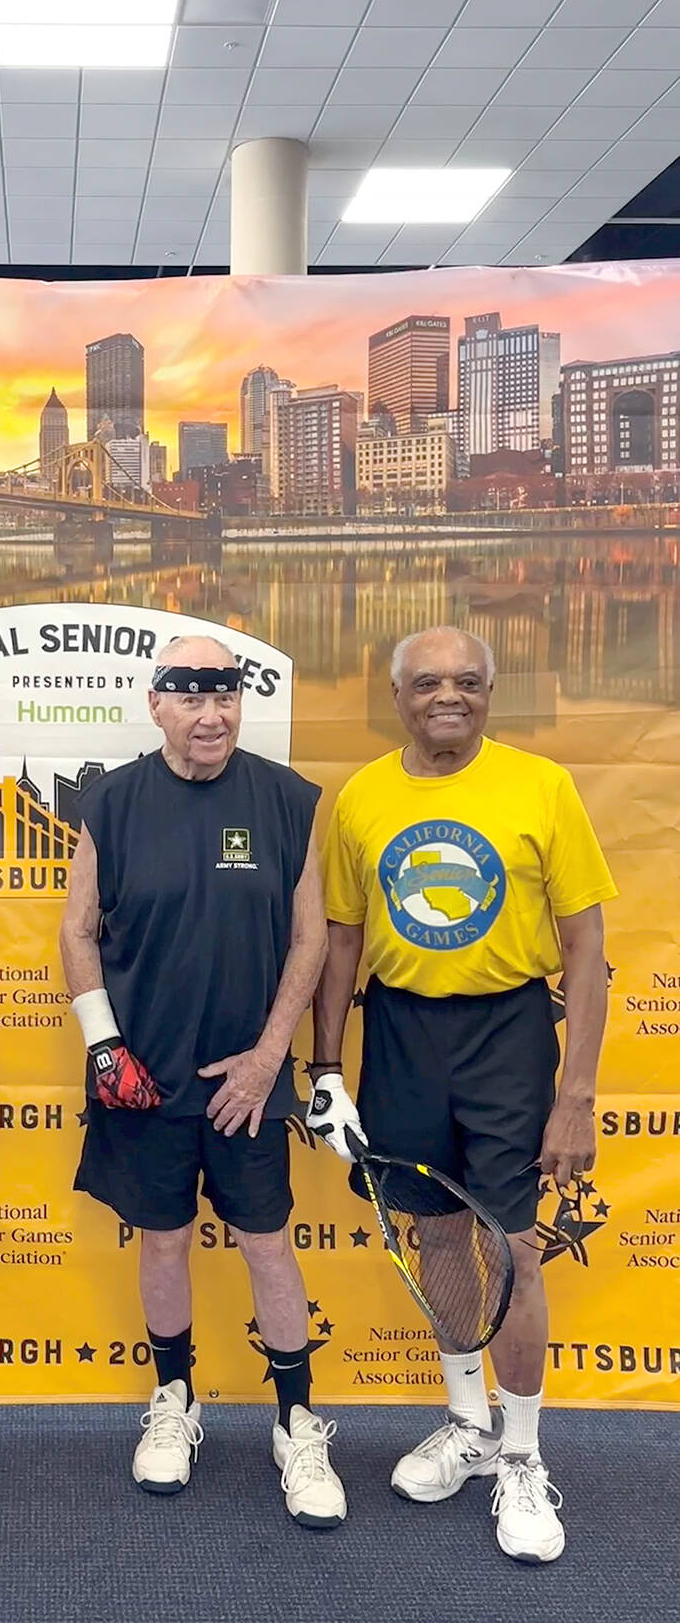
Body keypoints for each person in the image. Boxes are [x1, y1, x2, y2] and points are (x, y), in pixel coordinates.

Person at [310, 626, 616, 1565]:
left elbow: (587, 952)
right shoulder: (362, 796)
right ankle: (469, 1425)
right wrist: (324, 1069)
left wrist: (576, 1095)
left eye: (470, 682)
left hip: (509, 1034)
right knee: (437, 1234)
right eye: (430, 682)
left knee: (510, 1243)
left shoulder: (540, 786)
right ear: (398, 696)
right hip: (402, 1035)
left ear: (491, 694)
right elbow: (343, 945)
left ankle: (522, 1455)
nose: (451, 696)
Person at [60, 635, 346, 1529]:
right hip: (141, 1084)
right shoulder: (107, 802)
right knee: (164, 1244)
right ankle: (175, 1401)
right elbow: (76, 933)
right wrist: (104, 1047)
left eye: (225, 695)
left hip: (246, 1086)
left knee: (267, 1247)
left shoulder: (288, 801)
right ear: (157, 706)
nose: (211, 713)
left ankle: (297, 1425)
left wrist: (268, 1060)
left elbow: (313, 940)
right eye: (191, 696)